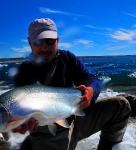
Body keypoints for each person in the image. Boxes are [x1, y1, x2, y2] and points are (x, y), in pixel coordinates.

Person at [13, 18, 131, 150]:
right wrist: (24, 122)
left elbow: (92, 78)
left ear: (57, 40)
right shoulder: (23, 72)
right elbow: (19, 113)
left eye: (50, 41)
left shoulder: (68, 58)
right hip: (49, 133)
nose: (44, 47)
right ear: (30, 43)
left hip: (76, 118)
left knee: (121, 106)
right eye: (38, 42)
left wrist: (91, 91)